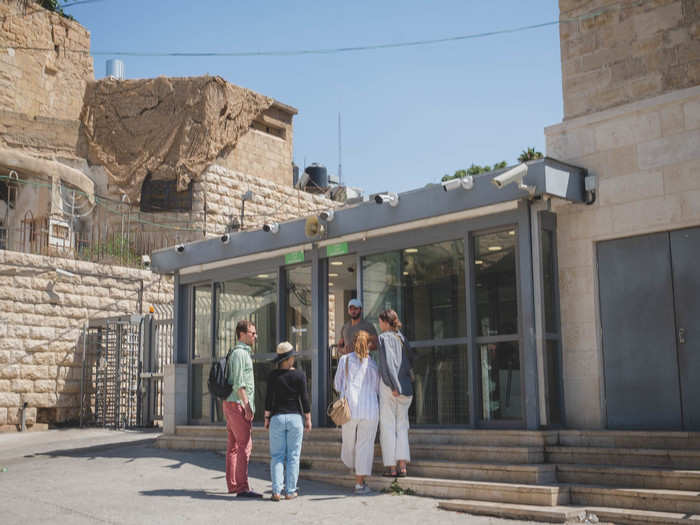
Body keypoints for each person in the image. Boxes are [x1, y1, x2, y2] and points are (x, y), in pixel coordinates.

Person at [264, 342, 312, 502]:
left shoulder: (273, 376)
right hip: (295, 419)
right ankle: (290, 491)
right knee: (293, 456)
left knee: (277, 456)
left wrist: (266, 418)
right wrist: (308, 418)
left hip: (277, 418)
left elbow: (269, 399)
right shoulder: (299, 375)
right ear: (290, 358)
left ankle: (276, 491)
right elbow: (304, 399)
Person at [334, 330, 380, 495]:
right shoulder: (373, 364)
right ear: (369, 344)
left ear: (353, 342)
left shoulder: (344, 360)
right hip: (370, 410)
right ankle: (360, 483)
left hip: (349, 410)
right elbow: (377, 388)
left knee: (349, 443)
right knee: (364, 446)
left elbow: (337, 385)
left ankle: (351, 466)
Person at [224, 320, 263, 498]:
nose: (255, 336)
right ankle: (242, 487)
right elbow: (239, 383)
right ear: (242, 334)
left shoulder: (239, 352)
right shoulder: (240, 354)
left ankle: (233, 484)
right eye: (252, 333)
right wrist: (247, 406)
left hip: (232, 403)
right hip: (238, 404)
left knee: (233, 446)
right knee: (245, 446)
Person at [376, 309, 414, 478]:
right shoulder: (402, 338)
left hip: (389, 387)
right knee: (402, 426)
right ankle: (403, 466)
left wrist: (392, 385)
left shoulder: (382, 338)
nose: (379, 324)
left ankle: (392, 468)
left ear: (385, 322)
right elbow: (410, 360)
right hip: (406, 388)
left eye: (380, 321)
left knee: (387, 427)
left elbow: (386, 365)